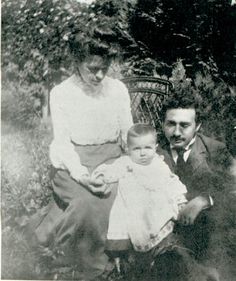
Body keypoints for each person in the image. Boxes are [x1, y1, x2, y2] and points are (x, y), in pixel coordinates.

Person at [25, 21, 133, 280]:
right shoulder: (62, 93)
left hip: (111, 159)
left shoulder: (117, 89)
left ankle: (127, 253)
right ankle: (93, 266)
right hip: (73, 162)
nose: (98, 76)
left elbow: (128, 137)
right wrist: (84, 176)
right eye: (92, 69)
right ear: (76, 60)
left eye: (104, 69)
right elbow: (62, 143)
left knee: (125, 194)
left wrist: (117, 169)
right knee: (88, 203)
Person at [156, 86, 236, 275]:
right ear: (162, 124)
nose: (176, 132)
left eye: (184, 125)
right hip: (165, 235)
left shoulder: (214, 150)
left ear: (197, 126)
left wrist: (205, 200)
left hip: (209, 235)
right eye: (170, 124)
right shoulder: (151, 150)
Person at [94, 123, 187, 254]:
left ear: (155, 148)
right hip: (138, 206)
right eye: (136, 149)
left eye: (147, 148)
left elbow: (170, 180)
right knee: (141, 225)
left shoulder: (158, 163)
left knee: (165, 213)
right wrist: (102, 176)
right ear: (128, 149)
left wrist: (179, 199)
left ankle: (169, 245)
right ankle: (151, 252)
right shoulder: (126, 162)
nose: (143, 153)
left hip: (159, 203)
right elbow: (111, 171)